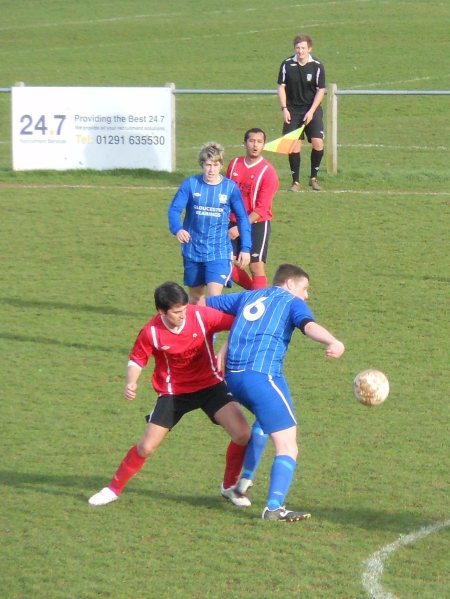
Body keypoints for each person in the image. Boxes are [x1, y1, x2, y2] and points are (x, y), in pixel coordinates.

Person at [88, 281, 251, 508]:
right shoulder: (151, 332)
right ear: (161, 311)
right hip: (174, 392)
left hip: (210, 385)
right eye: (176, 312)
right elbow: (137, 359)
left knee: (243, 433)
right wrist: (131, 382)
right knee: (146, 447)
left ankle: (229, 488)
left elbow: (238, 326)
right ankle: (112, 489)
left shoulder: (200, 316)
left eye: (184, 309)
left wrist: (224, 349)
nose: (183, 315)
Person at [206, 264, 345, 521]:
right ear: (290, 284)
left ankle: (246, 479)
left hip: (233, 379)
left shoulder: (248, 295)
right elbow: (309, 326)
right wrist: (333, 341)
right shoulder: (291, 301)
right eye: (304, 289)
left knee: (264, 422)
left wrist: (224, 342)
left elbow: (205, 304)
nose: (306, 296)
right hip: (262, 377)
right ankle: (274, 507)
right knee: (288, 446)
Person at [168, 141, 252, 304]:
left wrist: (246, 248)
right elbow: (174, 210)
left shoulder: (230, 188)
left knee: (214, 298)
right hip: (193, 250)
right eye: (208, 165)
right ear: (202, 164)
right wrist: (177, 229)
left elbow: (242, 217)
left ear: (221, 165)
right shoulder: (191, 184)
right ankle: (201, 330)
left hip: (218, 251)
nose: (211, 169)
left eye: (215, 164)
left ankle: (213, 329)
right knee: (195, 297)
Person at [226, 128, 279, 290]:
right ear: (245, 143)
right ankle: (254, 293)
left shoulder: (268, 172)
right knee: (225, 263)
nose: (255, 145)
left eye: (259, 142)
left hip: (257, 224)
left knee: (255, 265)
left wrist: (241, 228)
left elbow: (262, 208)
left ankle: (259, 301)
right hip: (232, 222)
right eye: (251, 141)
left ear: (264, 145)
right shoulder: (234, 164)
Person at [277, 34, 326, 192]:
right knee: (293, 146)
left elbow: (321, 90)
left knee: (318, 142)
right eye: (298, 48)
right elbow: (281, 87)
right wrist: (284, 108)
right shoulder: (286, 64)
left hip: (312, 109)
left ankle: (313, 178)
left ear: (309, 49)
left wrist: (311, 111)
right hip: (293, 110)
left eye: (303, 48)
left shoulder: (317, 66)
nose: (300, 51)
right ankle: (295, 182)